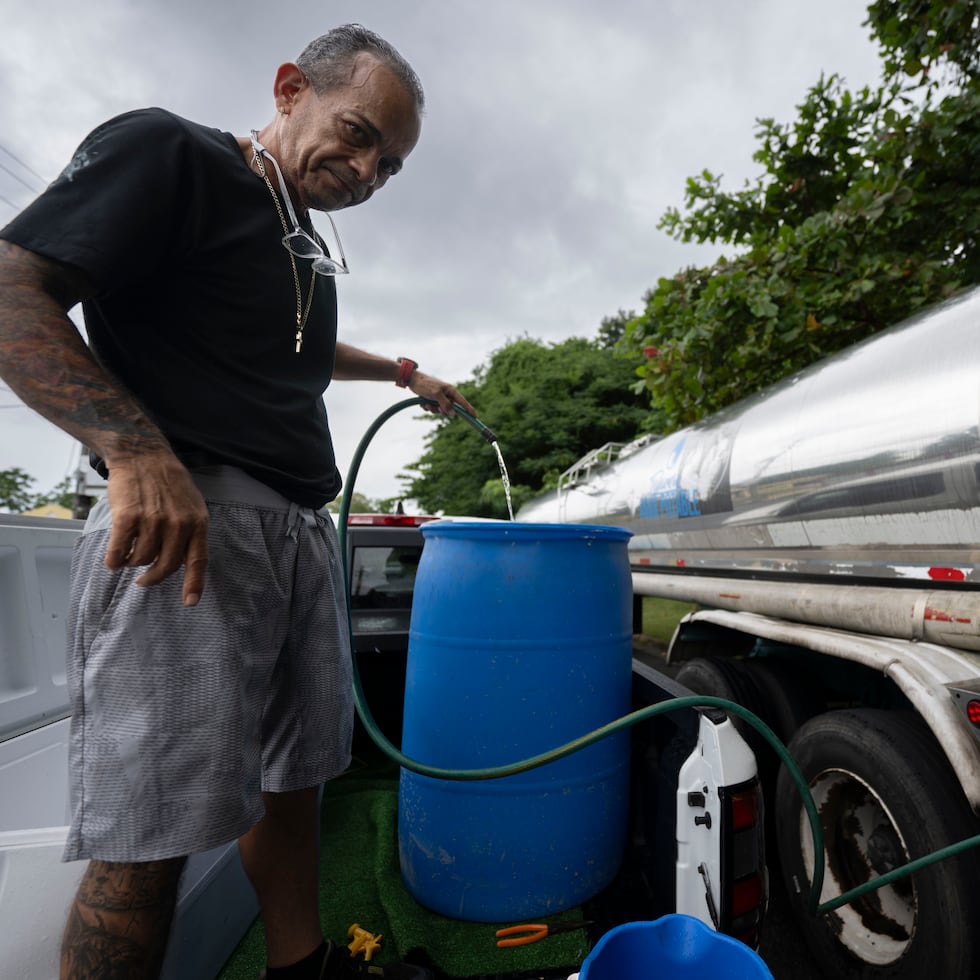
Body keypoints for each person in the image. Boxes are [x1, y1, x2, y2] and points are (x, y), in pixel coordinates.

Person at [0, 23, 470, 980]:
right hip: (192, 534)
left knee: (298, 786)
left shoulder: (301, 241)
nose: (370, 167)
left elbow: (297, 350)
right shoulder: (171, 153)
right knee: (152, 831)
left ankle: (303, 967)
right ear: (291, 87)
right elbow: (14, 286)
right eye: (358, 132)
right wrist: (131, 449)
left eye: (391, 163)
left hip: (298, 535)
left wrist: (399, 373)